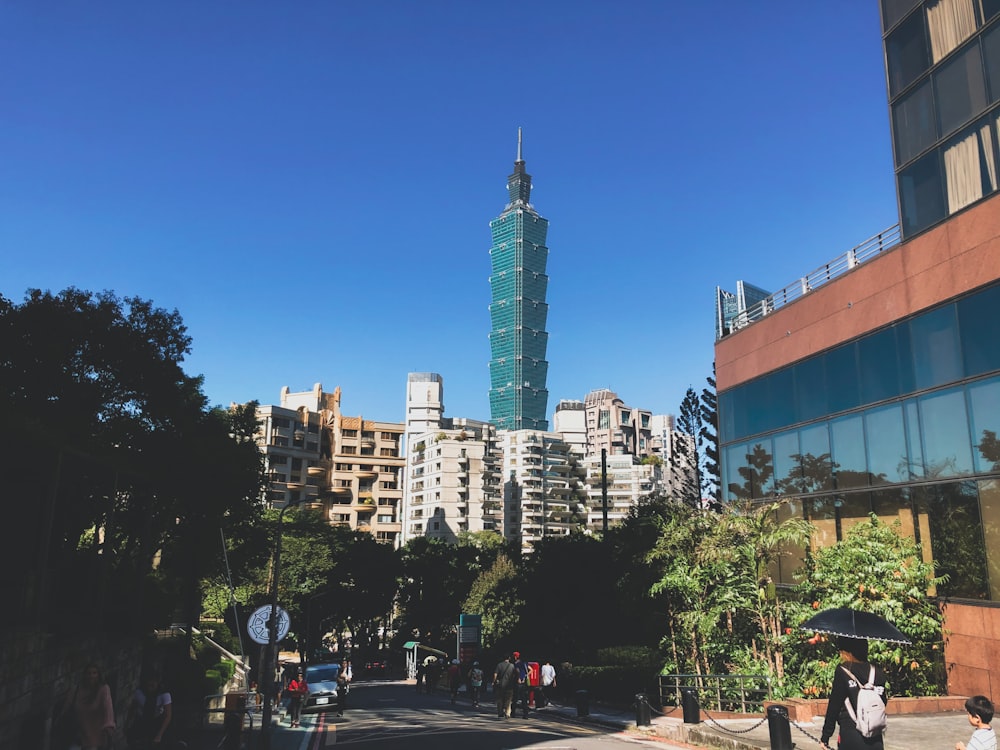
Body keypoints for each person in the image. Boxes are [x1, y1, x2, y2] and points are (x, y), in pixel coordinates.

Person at [820, 637, 887, 750]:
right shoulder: (877, 671)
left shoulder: (843, 670)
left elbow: (834, 706)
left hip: (851, 733)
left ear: (849, 652)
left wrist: (825, 737)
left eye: (841, 651)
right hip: (875, 736)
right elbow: (883, 701)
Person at [58, 662, 115, 750]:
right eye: (89, 673)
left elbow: (108, 708)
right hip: (78, 734)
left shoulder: (103, 690)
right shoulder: (76, 690)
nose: (91, 676)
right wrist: (60, 721)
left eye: (94, 673)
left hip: (95, 735)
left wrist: (109, 725)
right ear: (84, 675)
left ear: (98, 675)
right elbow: (67, 707)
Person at [128, 671, 172, 749]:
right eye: (148, 684)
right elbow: (133, 707)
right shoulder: (139, 692)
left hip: (156, 721)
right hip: (141, 720)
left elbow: (167, 715)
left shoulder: (164, 694)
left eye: (153, 684)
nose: (150, 687)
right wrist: (128, 722)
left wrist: (159, 735)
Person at [493, 654, 518, 719]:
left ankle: (500, 712)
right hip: (510, 685)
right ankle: (507, 713)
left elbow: (495, 674)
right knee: (508, 700)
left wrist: (494, 681)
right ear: (509, 658)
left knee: (500, 699)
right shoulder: (512, 666)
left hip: (500, 685)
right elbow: (516, 673)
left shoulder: (499, 665)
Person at [513, 651, 530, 718]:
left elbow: (517, 671)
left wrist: (518, 678)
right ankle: (525, 714)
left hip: (518, 682)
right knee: (524, 699)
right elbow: (530, 669)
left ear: (515, 657)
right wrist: (525, 676)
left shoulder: (516, 663)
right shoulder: (524, 663)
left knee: (515, 698)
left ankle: (513, 713)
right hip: (524, 682)